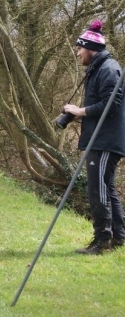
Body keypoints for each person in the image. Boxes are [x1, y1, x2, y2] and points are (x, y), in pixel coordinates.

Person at [62, 20, 125, 255]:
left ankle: (102, 241)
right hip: (103, 138)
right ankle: (118, 238)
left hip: (105, 141)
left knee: (98, 190)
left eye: (80, 48)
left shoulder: (108, 69)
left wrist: (81, 111)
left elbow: (112, 103)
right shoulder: (100, 69)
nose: (77, 53)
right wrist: (80, 114)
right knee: (106, 189)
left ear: (90, 48)